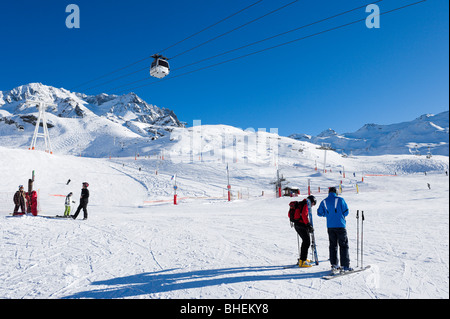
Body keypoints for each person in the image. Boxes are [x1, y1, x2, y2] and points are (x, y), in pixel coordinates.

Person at [317, 187, 352, 272]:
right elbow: (346, 212)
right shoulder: (340, 200)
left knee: (333, 245)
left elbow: (319, 213)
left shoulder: (324, 201)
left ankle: (334, 265)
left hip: (330, 227)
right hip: (340, 225)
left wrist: (329, 214)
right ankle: (345, 265)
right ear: (336, 192)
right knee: (343, 245)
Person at [292, 195, 317, 268]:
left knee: (305, 241)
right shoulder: (306, 204)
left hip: (297, 224)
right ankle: (302, 261)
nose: (312, 206)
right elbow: (304, 215)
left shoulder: (301, 203)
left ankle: (302, 259)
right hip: (301, 225)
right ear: (311, 202)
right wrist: (308, 225)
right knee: (306, 242)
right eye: (313, 204)